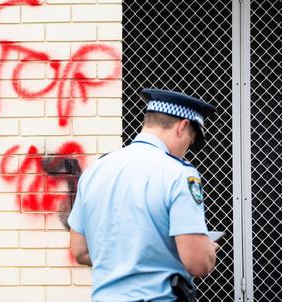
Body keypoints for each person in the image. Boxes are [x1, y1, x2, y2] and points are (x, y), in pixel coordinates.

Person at [67, 88, 220, 301]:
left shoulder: (95, 170)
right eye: (191, 140)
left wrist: (128, 254)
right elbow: (197, 263)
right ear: (182, 127)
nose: (187, 148)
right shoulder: (179, 174)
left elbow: (81, 250)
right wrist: (207, 251)